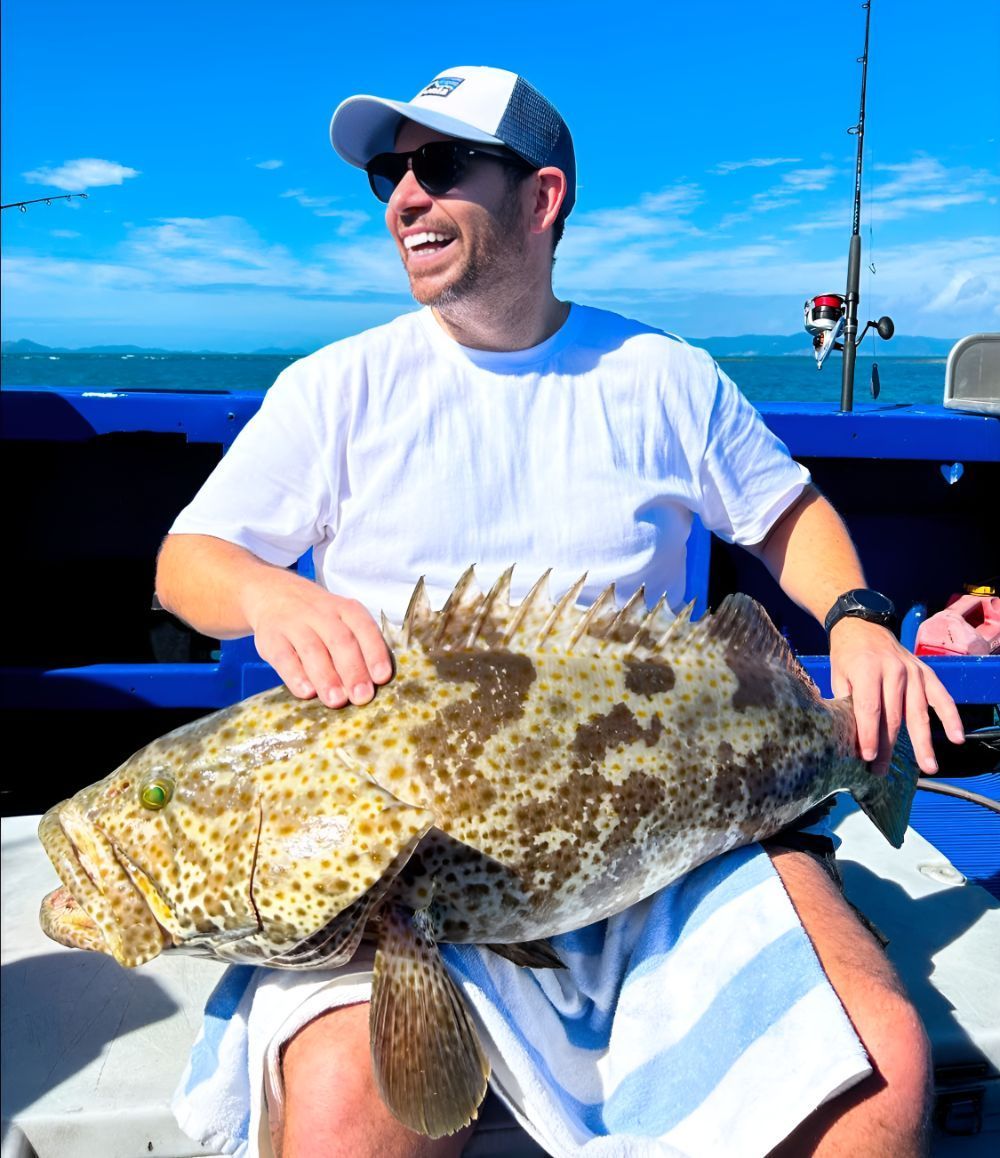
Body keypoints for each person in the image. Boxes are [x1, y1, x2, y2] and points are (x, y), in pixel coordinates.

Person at [158, 66, 964, 1158]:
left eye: (438, 165)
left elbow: (787, 514)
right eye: (386, 173)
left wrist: (861, 617)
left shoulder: (664, 376)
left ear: (542, 199)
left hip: (670, 832)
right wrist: (268, 589)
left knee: (880, 1066)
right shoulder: (332, 390)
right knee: (349, 1108)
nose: (402, 195)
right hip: (410, 874)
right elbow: (188, 563)